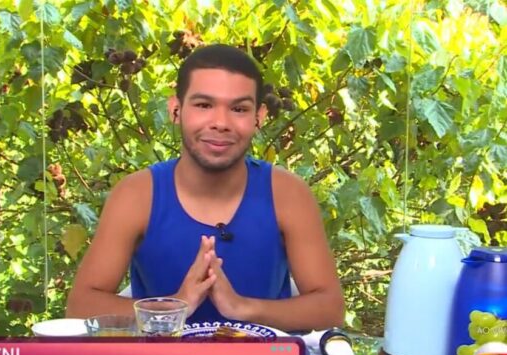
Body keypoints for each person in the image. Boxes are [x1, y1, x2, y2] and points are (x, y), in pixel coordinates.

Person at [66, 44, 344, 331]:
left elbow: (329, 308)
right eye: (203, 105)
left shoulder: (287, 193)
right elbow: (80, 307)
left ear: (258, 117)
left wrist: (242, 307)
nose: (221, 123)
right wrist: (174, 307)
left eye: (238, 109)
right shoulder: (138, 195)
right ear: (176, 109)